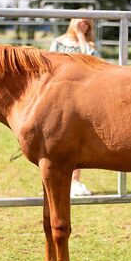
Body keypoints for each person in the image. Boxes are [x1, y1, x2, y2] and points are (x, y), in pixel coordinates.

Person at [49, 17, 97, 197]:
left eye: (86, 23)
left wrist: (80, 36)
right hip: (59, 94)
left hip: (81, 94)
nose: (83, 25)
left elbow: (91, 60)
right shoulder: (58, 42)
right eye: (80, 22)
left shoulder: (88, 43)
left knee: (75, 139)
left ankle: (75, 181)